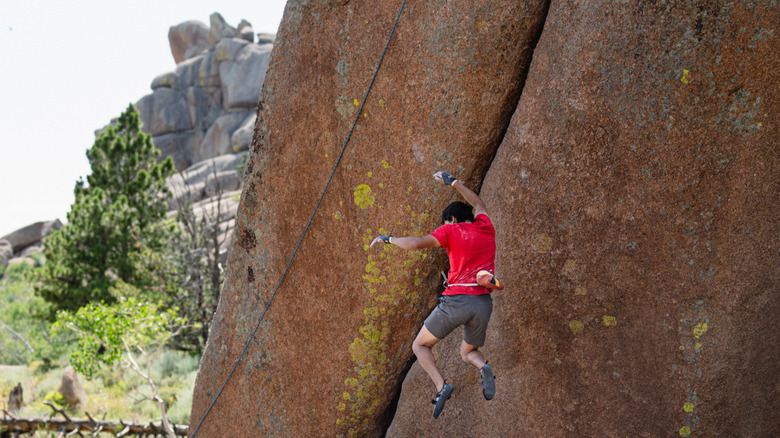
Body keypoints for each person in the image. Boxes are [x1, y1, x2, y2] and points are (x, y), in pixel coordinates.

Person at [370, 170, 500, 418]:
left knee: (419, 345)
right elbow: (479, 203)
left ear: (451, 219)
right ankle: (483, 365)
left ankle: (442, 386)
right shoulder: (486, 227)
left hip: (456, 301)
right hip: (483, 303)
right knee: (468, 352)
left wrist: (388, 239)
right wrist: (454, 182)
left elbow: (416, 243)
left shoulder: (451, 231)